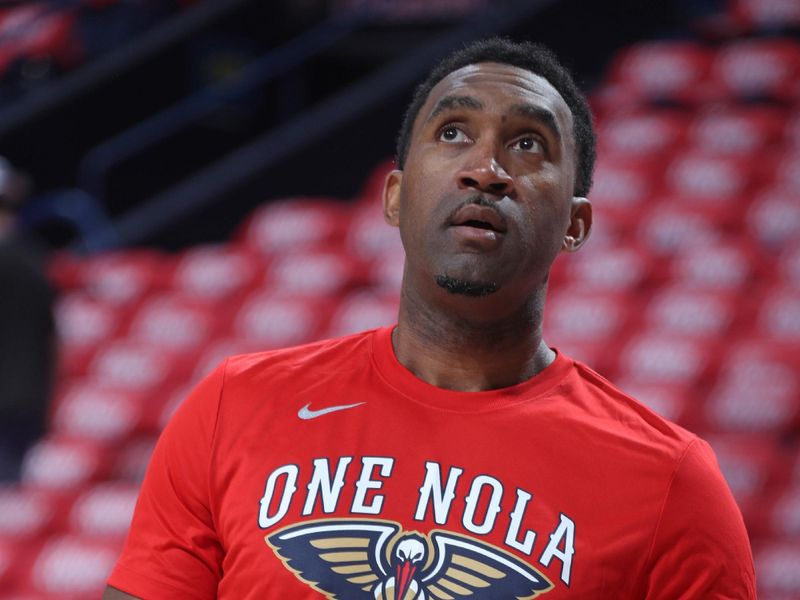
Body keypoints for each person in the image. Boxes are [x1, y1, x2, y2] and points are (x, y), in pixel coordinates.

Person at [105, 38, 756, 598]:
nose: (485, 169)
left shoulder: (671, 483)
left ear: (575, 225)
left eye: (528, 144)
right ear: (395, 197)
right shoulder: (234, 408)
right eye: (453, 134)